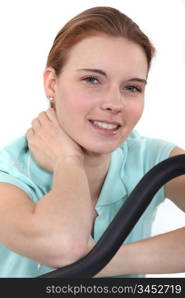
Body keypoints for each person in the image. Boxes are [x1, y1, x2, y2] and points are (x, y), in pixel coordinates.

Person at [0, 6, 184, 278]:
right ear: (52, 84)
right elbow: (63, 246)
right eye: (92, 80)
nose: (114, 103)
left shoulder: (154, 159)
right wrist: (68, 162)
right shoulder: (9, 173)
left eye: (132, 87)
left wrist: (105, 261)